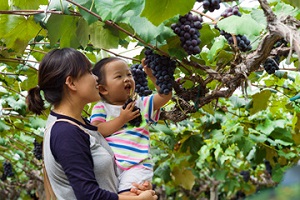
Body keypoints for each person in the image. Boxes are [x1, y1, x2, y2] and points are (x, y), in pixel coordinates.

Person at [26, 48, 157, 200]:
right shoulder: (65, 133)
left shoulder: (80, 125)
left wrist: (133, 190)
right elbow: (88, 195)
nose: (96, 78)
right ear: (71, 83)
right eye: (89, 72)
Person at [90, 57, 172, 194]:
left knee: (128, 196)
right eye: (118, 76)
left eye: (129, 74)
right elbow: (97, 130)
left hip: (137, 165)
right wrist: (122, 119)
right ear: (103, 89)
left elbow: (165, 96)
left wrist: (152, 75)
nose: (127, 78)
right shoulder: (101, 108)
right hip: (111, 168)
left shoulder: (141, 104)